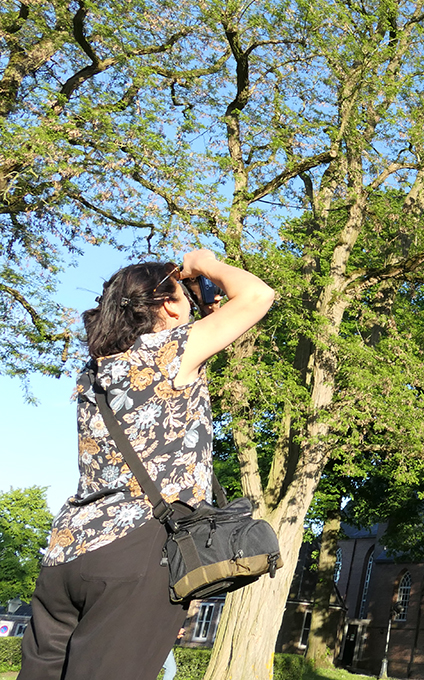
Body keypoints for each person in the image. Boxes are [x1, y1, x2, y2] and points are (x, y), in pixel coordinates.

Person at [18, 250, 274, 680]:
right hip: (137, 553)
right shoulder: (169, 352)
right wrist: (204, 263)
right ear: (168, 305)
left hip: (66, 551)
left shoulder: (96, 370)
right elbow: (256, 296)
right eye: (183, 295)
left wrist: (199, 304)